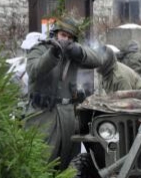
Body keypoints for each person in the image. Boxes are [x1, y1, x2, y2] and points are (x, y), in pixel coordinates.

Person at [25, 16, 101, 169]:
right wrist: (53, 53)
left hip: (67, 116)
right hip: (42, 115)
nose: (66, 40)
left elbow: (97, 60)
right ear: (55, 34)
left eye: (70, 38)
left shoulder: (73, 54)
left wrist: (77, 51)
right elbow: (34, 70)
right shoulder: (40, 49)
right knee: (41, 162)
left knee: (67, 164)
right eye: (63, 35)